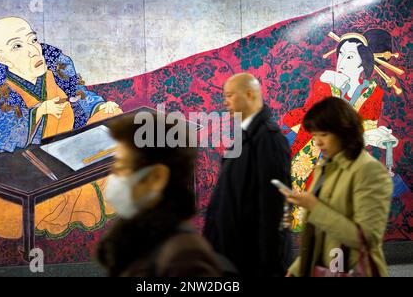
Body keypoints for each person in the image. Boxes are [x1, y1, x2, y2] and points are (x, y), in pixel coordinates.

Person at [0, 17, 122, 239]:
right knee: (9, 208)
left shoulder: (56, 68)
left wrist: (100, 105)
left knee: (111, 117)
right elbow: (3, 134)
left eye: (33, 40)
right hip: (16, 164)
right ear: (2, 57)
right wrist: (39, 111)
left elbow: (79, 96)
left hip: (64, 149)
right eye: (17, 46)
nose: (32, 51)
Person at [283, 29, 401, 230]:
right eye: (340, 55)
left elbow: (366, 126)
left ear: (362, 62)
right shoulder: (326, 82)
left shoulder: (374, 92)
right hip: (312, 146)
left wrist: (379, 137)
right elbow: (319, 120)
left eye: (349, 56)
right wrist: (325, 82)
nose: (341, 60)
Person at [96, 113, 222, 277]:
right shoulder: (137, 242)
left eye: (121, 168)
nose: (113, 177)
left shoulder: (184, 258)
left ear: (157, 177)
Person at [280, 97, 393, 277]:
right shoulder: (324, 168)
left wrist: (314, 207)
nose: (317, 142)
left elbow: (366, 238)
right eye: (314, 135)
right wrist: (295, 271)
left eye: (323, 135)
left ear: (344, 131)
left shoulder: (369, 171)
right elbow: (318, 237)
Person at [203, 73, 292, 277]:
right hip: (231, 257)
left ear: (250, 94)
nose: (225, 102)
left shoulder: (269, 139)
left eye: (231, 95)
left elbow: (273, 207)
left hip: (252, 262)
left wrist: (271, 265)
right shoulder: (244, 137)